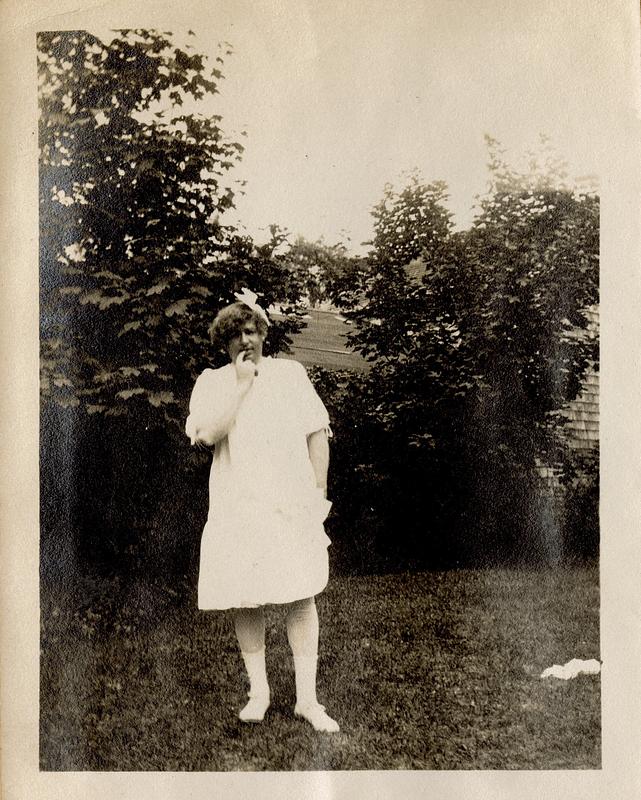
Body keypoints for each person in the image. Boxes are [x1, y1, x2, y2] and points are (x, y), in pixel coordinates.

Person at [185, 289, 339, 733]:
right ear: (224, 343)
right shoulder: (211, 382)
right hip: (239, 506)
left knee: (300, 592)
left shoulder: (290, 375)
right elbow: (210, 434)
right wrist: (241, 385)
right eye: (234, 335)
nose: (244, 341)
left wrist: (317, 491)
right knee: (244, 595)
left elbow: (316, 433)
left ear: (263, 333)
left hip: (289, 501)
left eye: (250, 331)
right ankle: (260, 693)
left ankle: (308, 700)